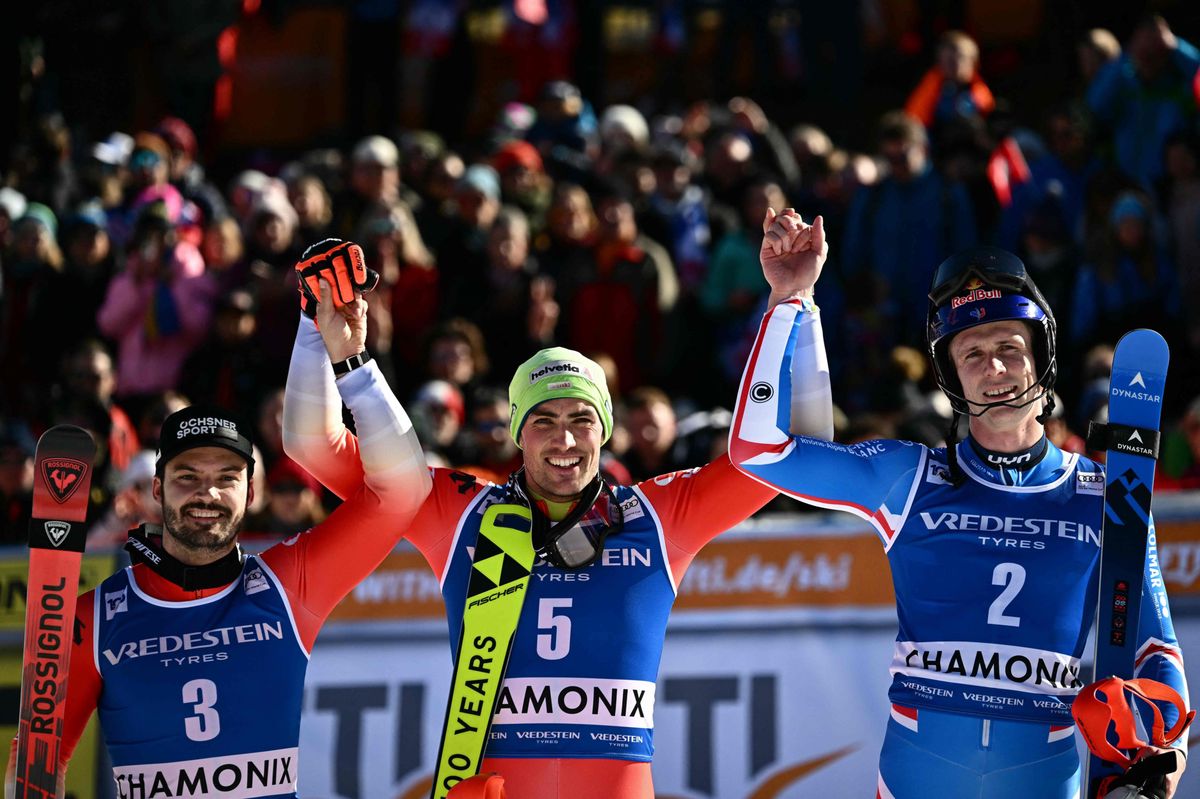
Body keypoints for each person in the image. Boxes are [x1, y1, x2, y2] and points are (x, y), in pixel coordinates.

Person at [283, 251, 834, 799]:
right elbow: (315, 447)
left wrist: (795, 303)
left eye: (581, 420)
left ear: (606, 431)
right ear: (517, 433)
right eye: (543, 420)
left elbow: (803, 456)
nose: (564, 441)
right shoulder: (460, 514)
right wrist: (318, 330)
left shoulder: (659, 517)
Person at [728, 213, 1189, 797]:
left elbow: (1155, 650)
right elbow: (757, 450)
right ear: (951, 376)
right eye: (971, 354)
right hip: (917, 776)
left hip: (1043, 778)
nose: (993, 368)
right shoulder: (909, 478)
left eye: (1008, 348)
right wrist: (790, 299)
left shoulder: (1107, 499)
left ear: (1040, 357)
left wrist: (1161, 750)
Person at [4, 276, 431, 798]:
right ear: (157, 489)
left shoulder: (288, 584)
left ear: (250, 493)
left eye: (227, 478)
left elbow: (402, 492)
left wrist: (349, 361)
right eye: (187, 477)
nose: (206, 494)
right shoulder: (91, 618)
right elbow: (34, 773)